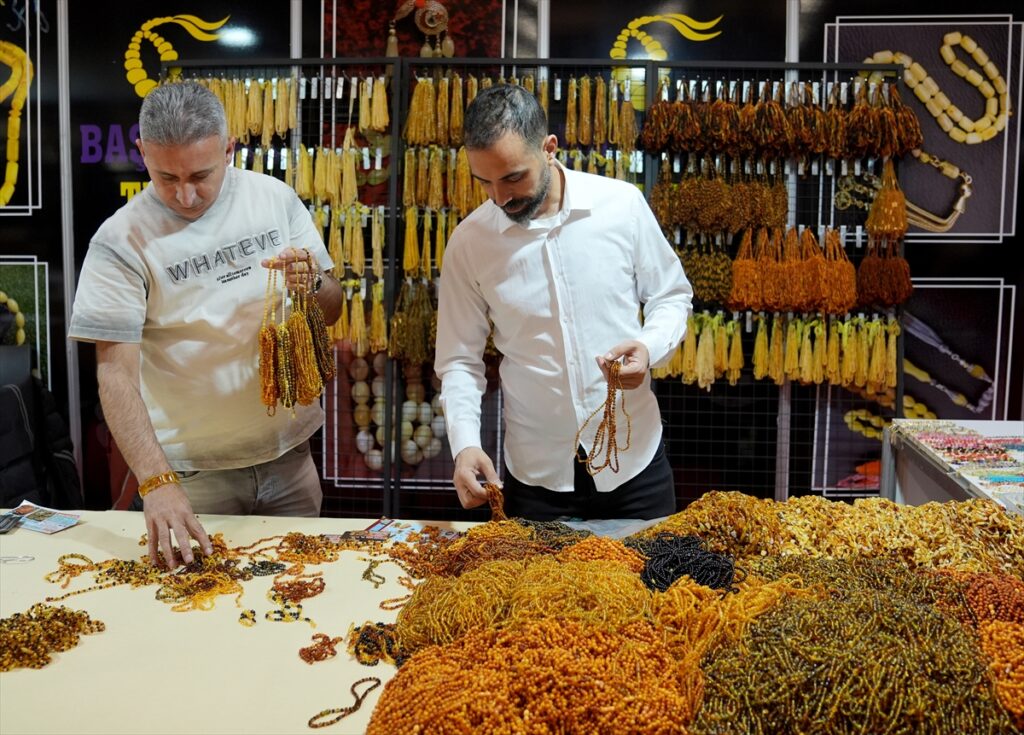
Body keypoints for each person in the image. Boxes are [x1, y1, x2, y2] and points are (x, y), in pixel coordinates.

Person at [68, 81, 342, 567]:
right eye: (165, 177)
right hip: (193, 480)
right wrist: (156, 483)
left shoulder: (273, 200)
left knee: (300, 605)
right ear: (142, 153)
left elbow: (332, 308)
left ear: (229, 148)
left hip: (290, 461)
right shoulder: (120, 241)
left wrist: (312, 285)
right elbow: (114, 375)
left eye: (201, 173)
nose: (186, 195)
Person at [435, 84, 693, 521]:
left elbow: (671, 294)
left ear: (549, 148)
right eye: (486, 183)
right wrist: (465, 444)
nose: (500, 198)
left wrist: (649, 347)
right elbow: (459, 361)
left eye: (513, 177)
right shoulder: (470, 243)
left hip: (636, 468)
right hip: (537, 482)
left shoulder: (621, 206)